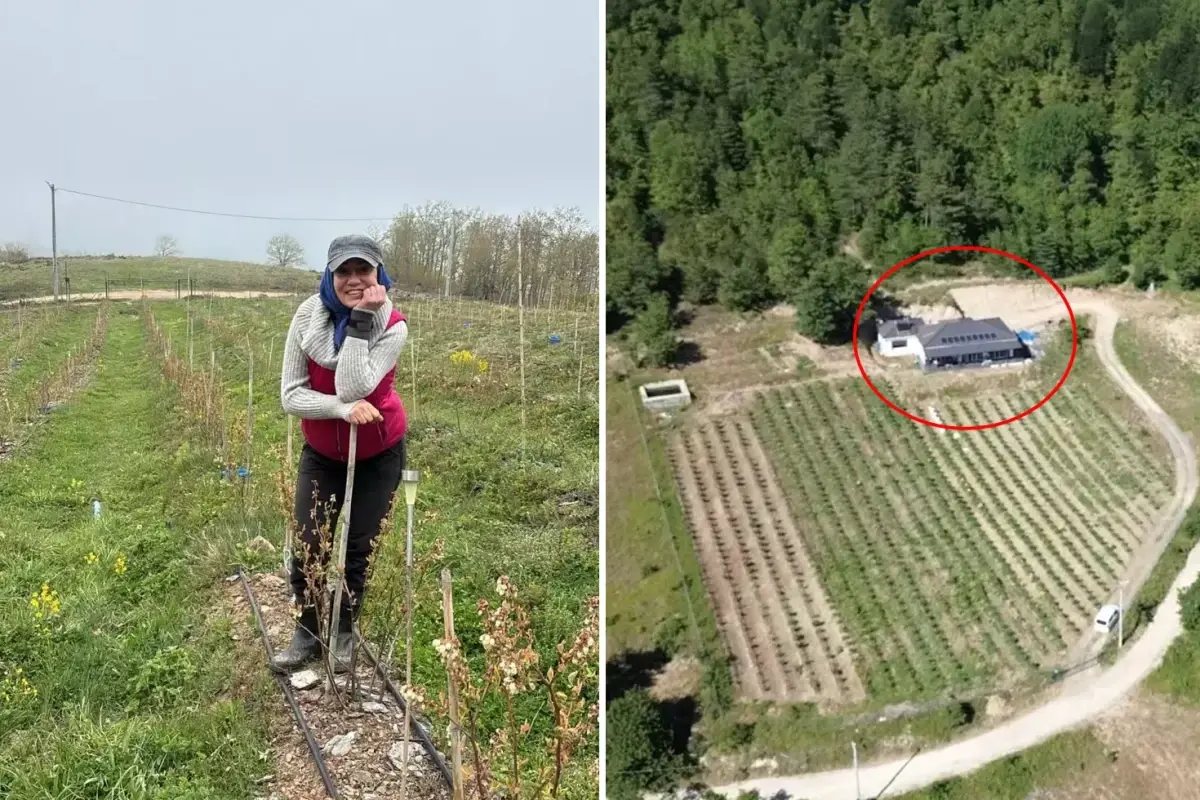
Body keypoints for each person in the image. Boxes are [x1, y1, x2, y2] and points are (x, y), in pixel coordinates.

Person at [271, 233, 409, 673]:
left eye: (363, 270)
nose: (353, 280)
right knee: (308, 542)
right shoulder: (306, 317)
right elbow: (292, 395)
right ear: (328, 276)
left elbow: (354, 384)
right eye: (343, 271)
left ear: (378, 275)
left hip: (379, 453)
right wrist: (340, 410)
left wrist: (361, 321)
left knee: (358, 549)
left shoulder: (393, 326)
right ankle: (307, 631)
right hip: (321, 452)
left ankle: (344, 630)